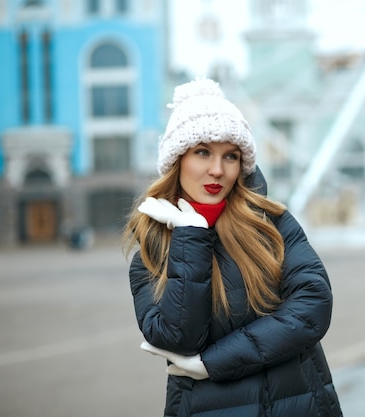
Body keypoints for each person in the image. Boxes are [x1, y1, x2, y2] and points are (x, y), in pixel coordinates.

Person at [122, 78, 342, 417]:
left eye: (231, 156)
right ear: (177, 159)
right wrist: (190, 237)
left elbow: (312, 306)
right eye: (202, 152)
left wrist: (214, 363)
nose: (217, 170)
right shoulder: (152, 254)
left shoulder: (271, 224)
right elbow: (178, 339)